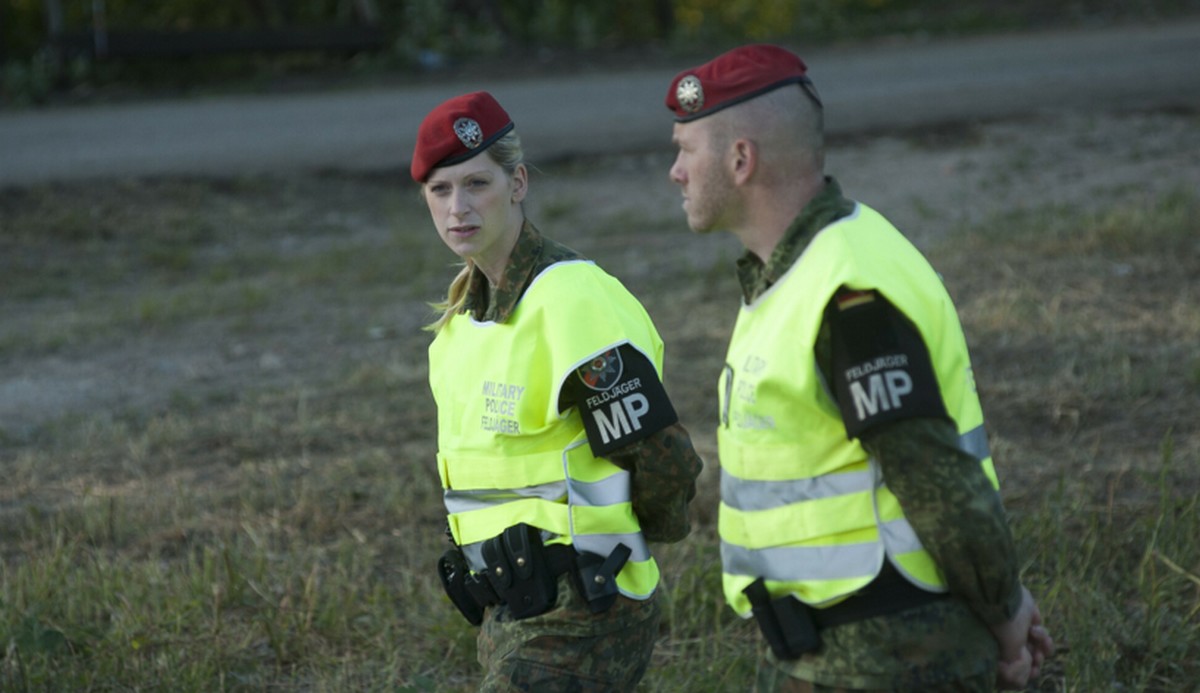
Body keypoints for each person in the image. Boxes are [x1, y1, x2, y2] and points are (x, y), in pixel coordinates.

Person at [661, 45, 1055, 691]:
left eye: (685, 149)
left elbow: (936, 479)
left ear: (740, 160)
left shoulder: (847, 284)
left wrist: (1008, 614)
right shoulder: (791, 274)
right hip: (836, 649)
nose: (674, 171)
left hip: (896, 652)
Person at [416, 91, 703, 691]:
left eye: (477, 184)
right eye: (440, 191)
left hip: (583, 607)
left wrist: (616, 546)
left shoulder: (571, 298)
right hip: (508, 610)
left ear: (517, 183)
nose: (457, 208)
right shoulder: (459, 325)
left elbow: (665, 460)